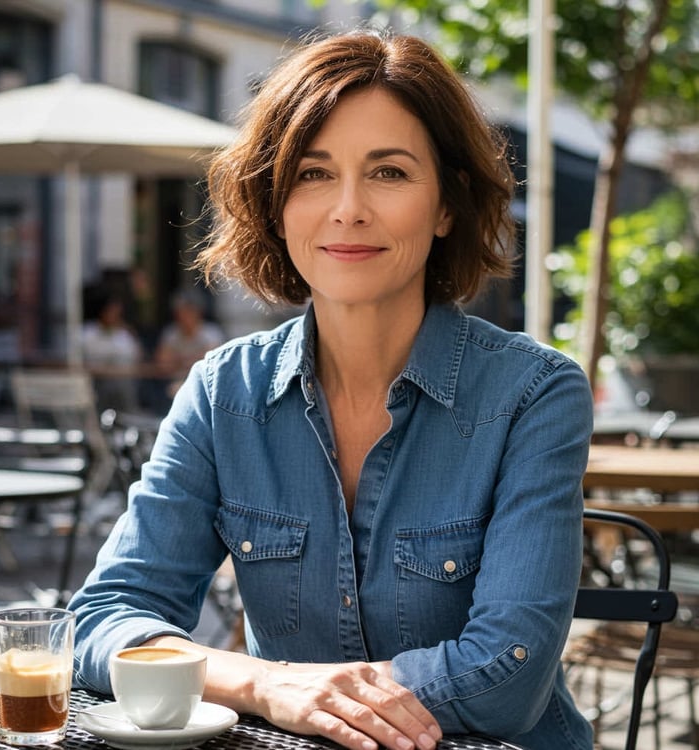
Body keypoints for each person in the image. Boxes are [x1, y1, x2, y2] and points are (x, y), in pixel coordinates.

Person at [69, 29, 594, 750]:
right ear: (276, 203)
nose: (348, 208)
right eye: (314, 174)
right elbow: (103, 621)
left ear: (447, 206)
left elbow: (506, 676)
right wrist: (268, 685)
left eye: (389, 172)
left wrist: (301, 690)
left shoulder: (535, 394)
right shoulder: (223, 395)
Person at [81, 288, 143, 412]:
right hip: (94, 385)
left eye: (117, 312)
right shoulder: (86, 334)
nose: (115, 315)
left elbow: (136, 359)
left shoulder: (125, 335)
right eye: (111, 311)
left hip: (121, 387)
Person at [154, 288, 225, 375]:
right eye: (182, 311)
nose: (185, 316)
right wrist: (193, 359)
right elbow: (163, 364)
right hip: (176, 380)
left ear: (199, 312)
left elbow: (212, 362)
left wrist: (179, 360)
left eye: (190, 310)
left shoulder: (212, 332)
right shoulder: (171, 333)